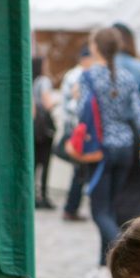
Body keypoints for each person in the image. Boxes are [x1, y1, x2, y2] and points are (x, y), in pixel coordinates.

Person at [81, 27, 140, 278]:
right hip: (125, 148)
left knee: (99, 212)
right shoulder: (127, 77)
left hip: (100, 150)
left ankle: (126, 257)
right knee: (111, 208)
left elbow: (80, 114)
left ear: (95, 47)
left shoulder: (89, 76)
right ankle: (103, 265)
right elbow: (136, 116)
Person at [111, 22, 140, 225]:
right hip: (138, 135)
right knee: (136, 189)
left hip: (109, 138)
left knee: (112, 193)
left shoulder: (102, 68)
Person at [59, 43, 94, 221]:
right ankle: (70, 208)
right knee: (80, 171)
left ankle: (71, 208)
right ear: (86, 59)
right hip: (79, 132)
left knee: (79, 171)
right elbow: (76, 107)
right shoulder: (80, 76)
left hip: (73, 130)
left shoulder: (71, 74)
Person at [32, 56, 57, 210]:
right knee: (45, 163)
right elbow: (47, 103)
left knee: (34, 163)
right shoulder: (44, 81)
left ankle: (33, 195)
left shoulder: (31, 80)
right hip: (45, 128)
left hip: (35, 128)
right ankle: (43, 196)